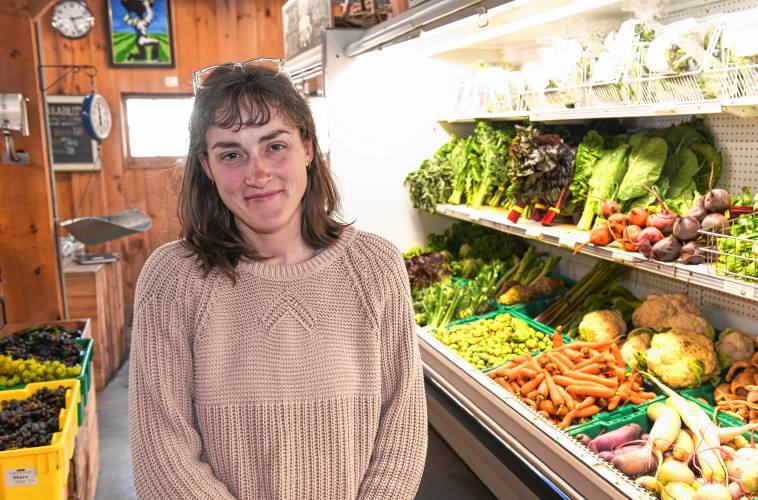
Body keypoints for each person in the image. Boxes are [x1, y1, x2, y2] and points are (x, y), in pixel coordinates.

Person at [128, 59, 428, 499]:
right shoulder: (173, 280)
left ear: (307, 147)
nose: (258, 174)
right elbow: (161, 454)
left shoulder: (376, 266)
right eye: (231, 154)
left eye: (274, 146)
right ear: (207, 168)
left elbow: (402, 424)